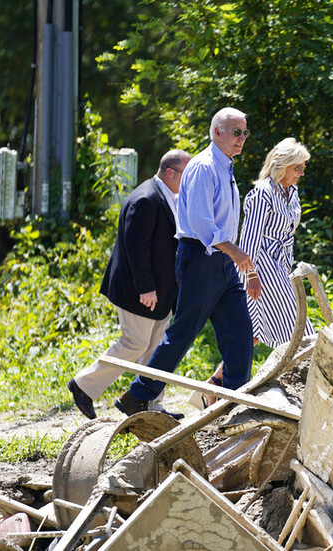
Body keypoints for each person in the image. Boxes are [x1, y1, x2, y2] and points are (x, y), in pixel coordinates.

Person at [115, 107, 258, 416]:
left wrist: (232, 255)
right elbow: (202, 223)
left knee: (240, 333)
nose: (242, 138)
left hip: (222, 262)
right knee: (183, 333)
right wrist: (235, 251)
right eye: (236, 132)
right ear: (217, 132)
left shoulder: (225, 167)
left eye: (245, 132)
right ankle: (137, 395)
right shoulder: (204, 167)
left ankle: (236, 404)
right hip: (201, 259)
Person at [66, 149, 191, 419]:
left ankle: (148, 402)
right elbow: (136, 248)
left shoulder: (169, 196)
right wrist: (145, 287)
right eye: (187, 173)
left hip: (162, 292)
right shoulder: (146, 198)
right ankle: (83, 385)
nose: (191, 179)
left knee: (155, 349)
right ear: (170, 172)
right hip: (141, 291)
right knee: (134, 342)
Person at [196, 138, 316, 408]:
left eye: (303, 167)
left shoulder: (292, 192)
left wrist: (288, 267)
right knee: (300, 329)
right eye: (297, 167)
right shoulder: (262, 193)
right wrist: (250, 276)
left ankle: (213, 385)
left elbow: (288, 237)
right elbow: (249, 241)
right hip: (259, 268)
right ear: (282, 165)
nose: (302, 173)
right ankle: (305, 385)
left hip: (281, 267)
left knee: (250, 334)